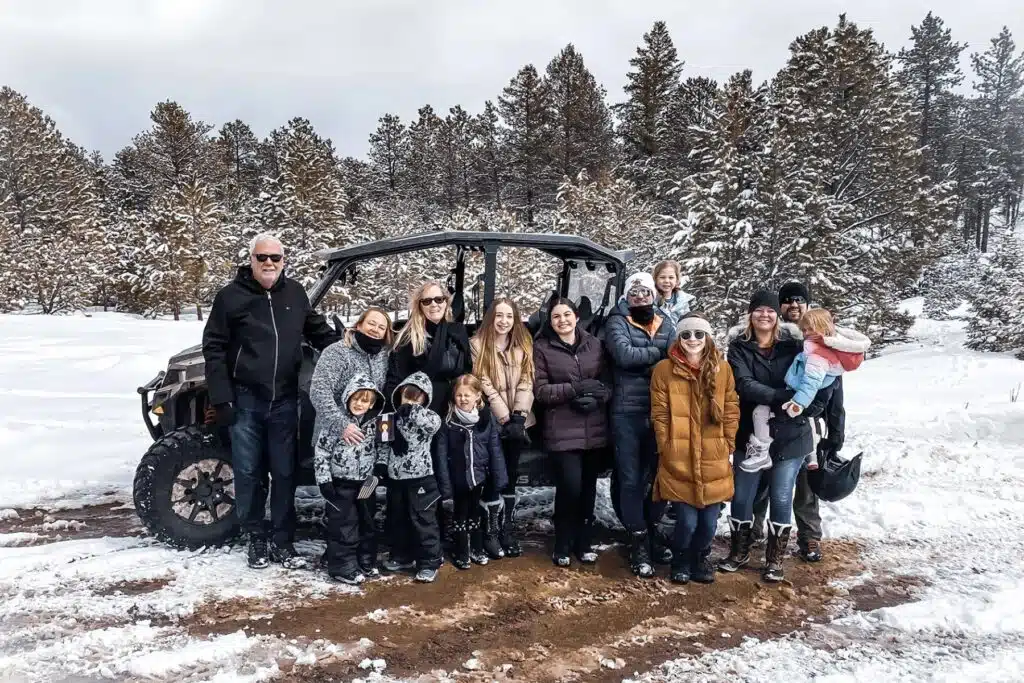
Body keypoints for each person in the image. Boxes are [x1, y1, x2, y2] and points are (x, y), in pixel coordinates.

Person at [202, 233, 339, 570]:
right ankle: (256, 537)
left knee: (284, 472)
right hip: (245, 400)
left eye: (275, 258)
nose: (268, 263)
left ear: (283, 261)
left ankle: (282, 539)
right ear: (251, 260)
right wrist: (222, 398)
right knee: (248, 473)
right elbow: (214, 348)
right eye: (261, 257)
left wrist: (352, 348)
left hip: (285, 401)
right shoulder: (230, 297)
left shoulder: (294, 293)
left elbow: (318, 331)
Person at [719, 290, 834, 583]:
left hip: (791, 433)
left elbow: (823, 376)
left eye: (770, 310)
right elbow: (744, 384)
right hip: (752, 434)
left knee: (782, 495)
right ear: (750, 314)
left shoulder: (796, 345)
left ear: (777, 315)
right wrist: (786, 397)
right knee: (743, 494)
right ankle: (739, 551)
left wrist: (810, 406)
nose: (765, 315)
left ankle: (774, 559)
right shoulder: (739, 348)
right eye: (758, 310)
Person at [751, 282, 848, 562]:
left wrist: (835, 431)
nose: (793, 305)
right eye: (787, 301)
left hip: (809, 424)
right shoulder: (777, 338)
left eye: (799, 300)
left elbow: (834, 390)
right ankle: (755, 529)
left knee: (806, 484)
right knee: (764, 479)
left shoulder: (823, 340)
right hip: (773, 419)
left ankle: (809, 537)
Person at [650, 313, 739, 584]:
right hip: (679, 455)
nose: (692, 340)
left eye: (699, 334)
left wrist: (728, 441)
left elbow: (732, 406)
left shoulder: (722, 369)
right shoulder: (664, 369)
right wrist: (666, 445)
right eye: (686, 334)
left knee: (709, 523)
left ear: (707, 337)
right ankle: (681, 559)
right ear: (678, 338)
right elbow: (660, 413)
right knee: (686, 521)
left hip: (714, 455)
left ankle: (700, 558)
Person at [308, 306, 393, 575]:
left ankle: (364, 559)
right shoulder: (338, 352)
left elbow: (385, 402)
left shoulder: (385, 357)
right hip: (337, 447)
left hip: (368, 459)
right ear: (359, 324)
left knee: (366, 512)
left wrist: (383, 452)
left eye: (381, 327)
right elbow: (319, 390)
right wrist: (342, 425)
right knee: (341, 514)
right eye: (371, 323)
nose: (375, 330)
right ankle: (340, 560)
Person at [604, 272, 674, 578]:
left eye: (645, 291)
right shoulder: (617, 320)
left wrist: (651, 360)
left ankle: (650, 530)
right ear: (626, 295)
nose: (640, 297)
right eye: (635, 292)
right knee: (630, 478)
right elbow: (623, 355)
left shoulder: (666, 321)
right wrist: (658, 356)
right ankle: (638, 540)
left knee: (658, 476)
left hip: (661, 410)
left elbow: (677, 356)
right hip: (626, 411)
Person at [533, 298, 611, 567]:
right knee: (570, 487)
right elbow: (541, 391)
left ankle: (584, 542)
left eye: (567, 315)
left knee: (588, 489)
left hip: (594, 427)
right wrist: (574, 390)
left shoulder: (595, 344)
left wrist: (598, 397)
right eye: (556, 317)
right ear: (550, 321)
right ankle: (563, 542)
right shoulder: (542, 348)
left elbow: (606, 381)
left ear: (577, 317)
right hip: (562, 429)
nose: (562, 320)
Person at [470, 297, 535, 558]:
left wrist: (519, 416)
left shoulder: (523, 344)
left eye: (509, 316)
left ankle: (507, 527)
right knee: (494, 475)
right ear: (490, 318)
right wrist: (505, 418)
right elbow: (483, 383)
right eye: (499, 316)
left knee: (510, 474)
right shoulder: (477, 345)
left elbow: (527, 380)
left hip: (519, 422)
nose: (504, 321)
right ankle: (490, 530)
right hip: (494, 421)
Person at [312, 374, 386, 585]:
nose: (359, 404)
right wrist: (325, 481)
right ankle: (341, 566)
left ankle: (365, 560)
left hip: (366, 484)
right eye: (356, 399)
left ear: (372, 403)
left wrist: (379, 468)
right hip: (341, 484)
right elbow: (322, 452)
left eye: (365, 400)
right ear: (347, 398)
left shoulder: (375, 425)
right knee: (344, 525)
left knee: (367, 521)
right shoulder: (337, 424)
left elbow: (382, 448)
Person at [435, 375, 508, 570]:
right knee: (460, 515)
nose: (463, 399)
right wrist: (445, 485)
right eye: (459, 395)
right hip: (457, 477)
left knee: (475, 512)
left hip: (479, 476)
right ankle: (461, 550)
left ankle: (476, 547)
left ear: (477, 396)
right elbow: (441, 456)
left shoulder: (485, 419)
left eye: (467, 395)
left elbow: (495, 448)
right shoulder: (448, 422)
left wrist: (499, 476)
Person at [383, 372, 444, 583]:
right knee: (398, 519)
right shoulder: (389, 419)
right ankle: (401, 555)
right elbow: (383, 445)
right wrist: (382, 466)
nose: (408, 402)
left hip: (421, 479)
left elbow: (433, 426)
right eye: (406, 397)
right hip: (396, 479)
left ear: (424, 399)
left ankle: (429, 561)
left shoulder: (428, 417)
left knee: (423, 520)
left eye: (415, 398)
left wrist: (414, 411)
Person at [386, 281, 472, 415]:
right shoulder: (408, 338)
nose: (434, 304)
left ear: (446, 302)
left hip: (455, 406)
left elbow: (467, 370)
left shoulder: (458, 333)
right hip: (422, 409)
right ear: (419, 306)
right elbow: (395, 379)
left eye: (439, 299)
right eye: (427, 301)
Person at [652, 260, 696, 329]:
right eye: (662, 277)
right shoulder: (651, 300)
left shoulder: (683, 301)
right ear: (655, 279)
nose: (667, 281)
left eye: (671, 277)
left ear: (677, 280)